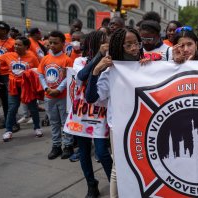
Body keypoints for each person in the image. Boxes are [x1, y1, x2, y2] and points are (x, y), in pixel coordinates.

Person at [85, 27, 147, 198]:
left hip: (144, 123)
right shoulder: (111, 72)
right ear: (119, 47)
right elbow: (91, 98)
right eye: (128, 45)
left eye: (136, 43)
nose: (134, 48)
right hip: (120, 127)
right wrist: (96, 72)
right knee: (118, 167)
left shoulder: (146, 65)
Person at [65, 30, 113, 198]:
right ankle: (91, 185)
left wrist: (103, 59)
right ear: (94, 44)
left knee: (102, 152)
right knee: (84, 152)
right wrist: (98, 57)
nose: (106, 44)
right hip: (80, 112)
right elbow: (81, 75)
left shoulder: (109, 62)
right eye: (103, 41)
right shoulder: (80, 60)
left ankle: (114, 184)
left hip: (99, 113)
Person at [0, 36, 42, 141]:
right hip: (13, 87)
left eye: (19, 44)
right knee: (12, 108)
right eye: (15, 44)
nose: (16, 46)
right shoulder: (8, 55)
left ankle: (37, 128)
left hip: (27, 87)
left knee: (33, 108)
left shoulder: (32, 57)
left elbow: (38, 71)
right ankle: (8, 131)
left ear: (26, 46)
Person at [38, 30, 74, 160]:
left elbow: (68, 77)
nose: (52, 45)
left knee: (65, 121)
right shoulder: (45, 59)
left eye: (55, 43)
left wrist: (58, 89)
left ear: (63, 44)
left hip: (63, 96)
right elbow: (41, 74)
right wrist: (46, 88)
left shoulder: (67, 60)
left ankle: (68, 145)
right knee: (53, 121)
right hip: (49, 96)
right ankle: (56, 145)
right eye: (50, 43)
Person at [0, 21, 19, 131]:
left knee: (11, 100)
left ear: (4, 31)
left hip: (9, 75)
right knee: (4, 100)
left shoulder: (13, 43)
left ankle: (13, 123)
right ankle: (7, 121)